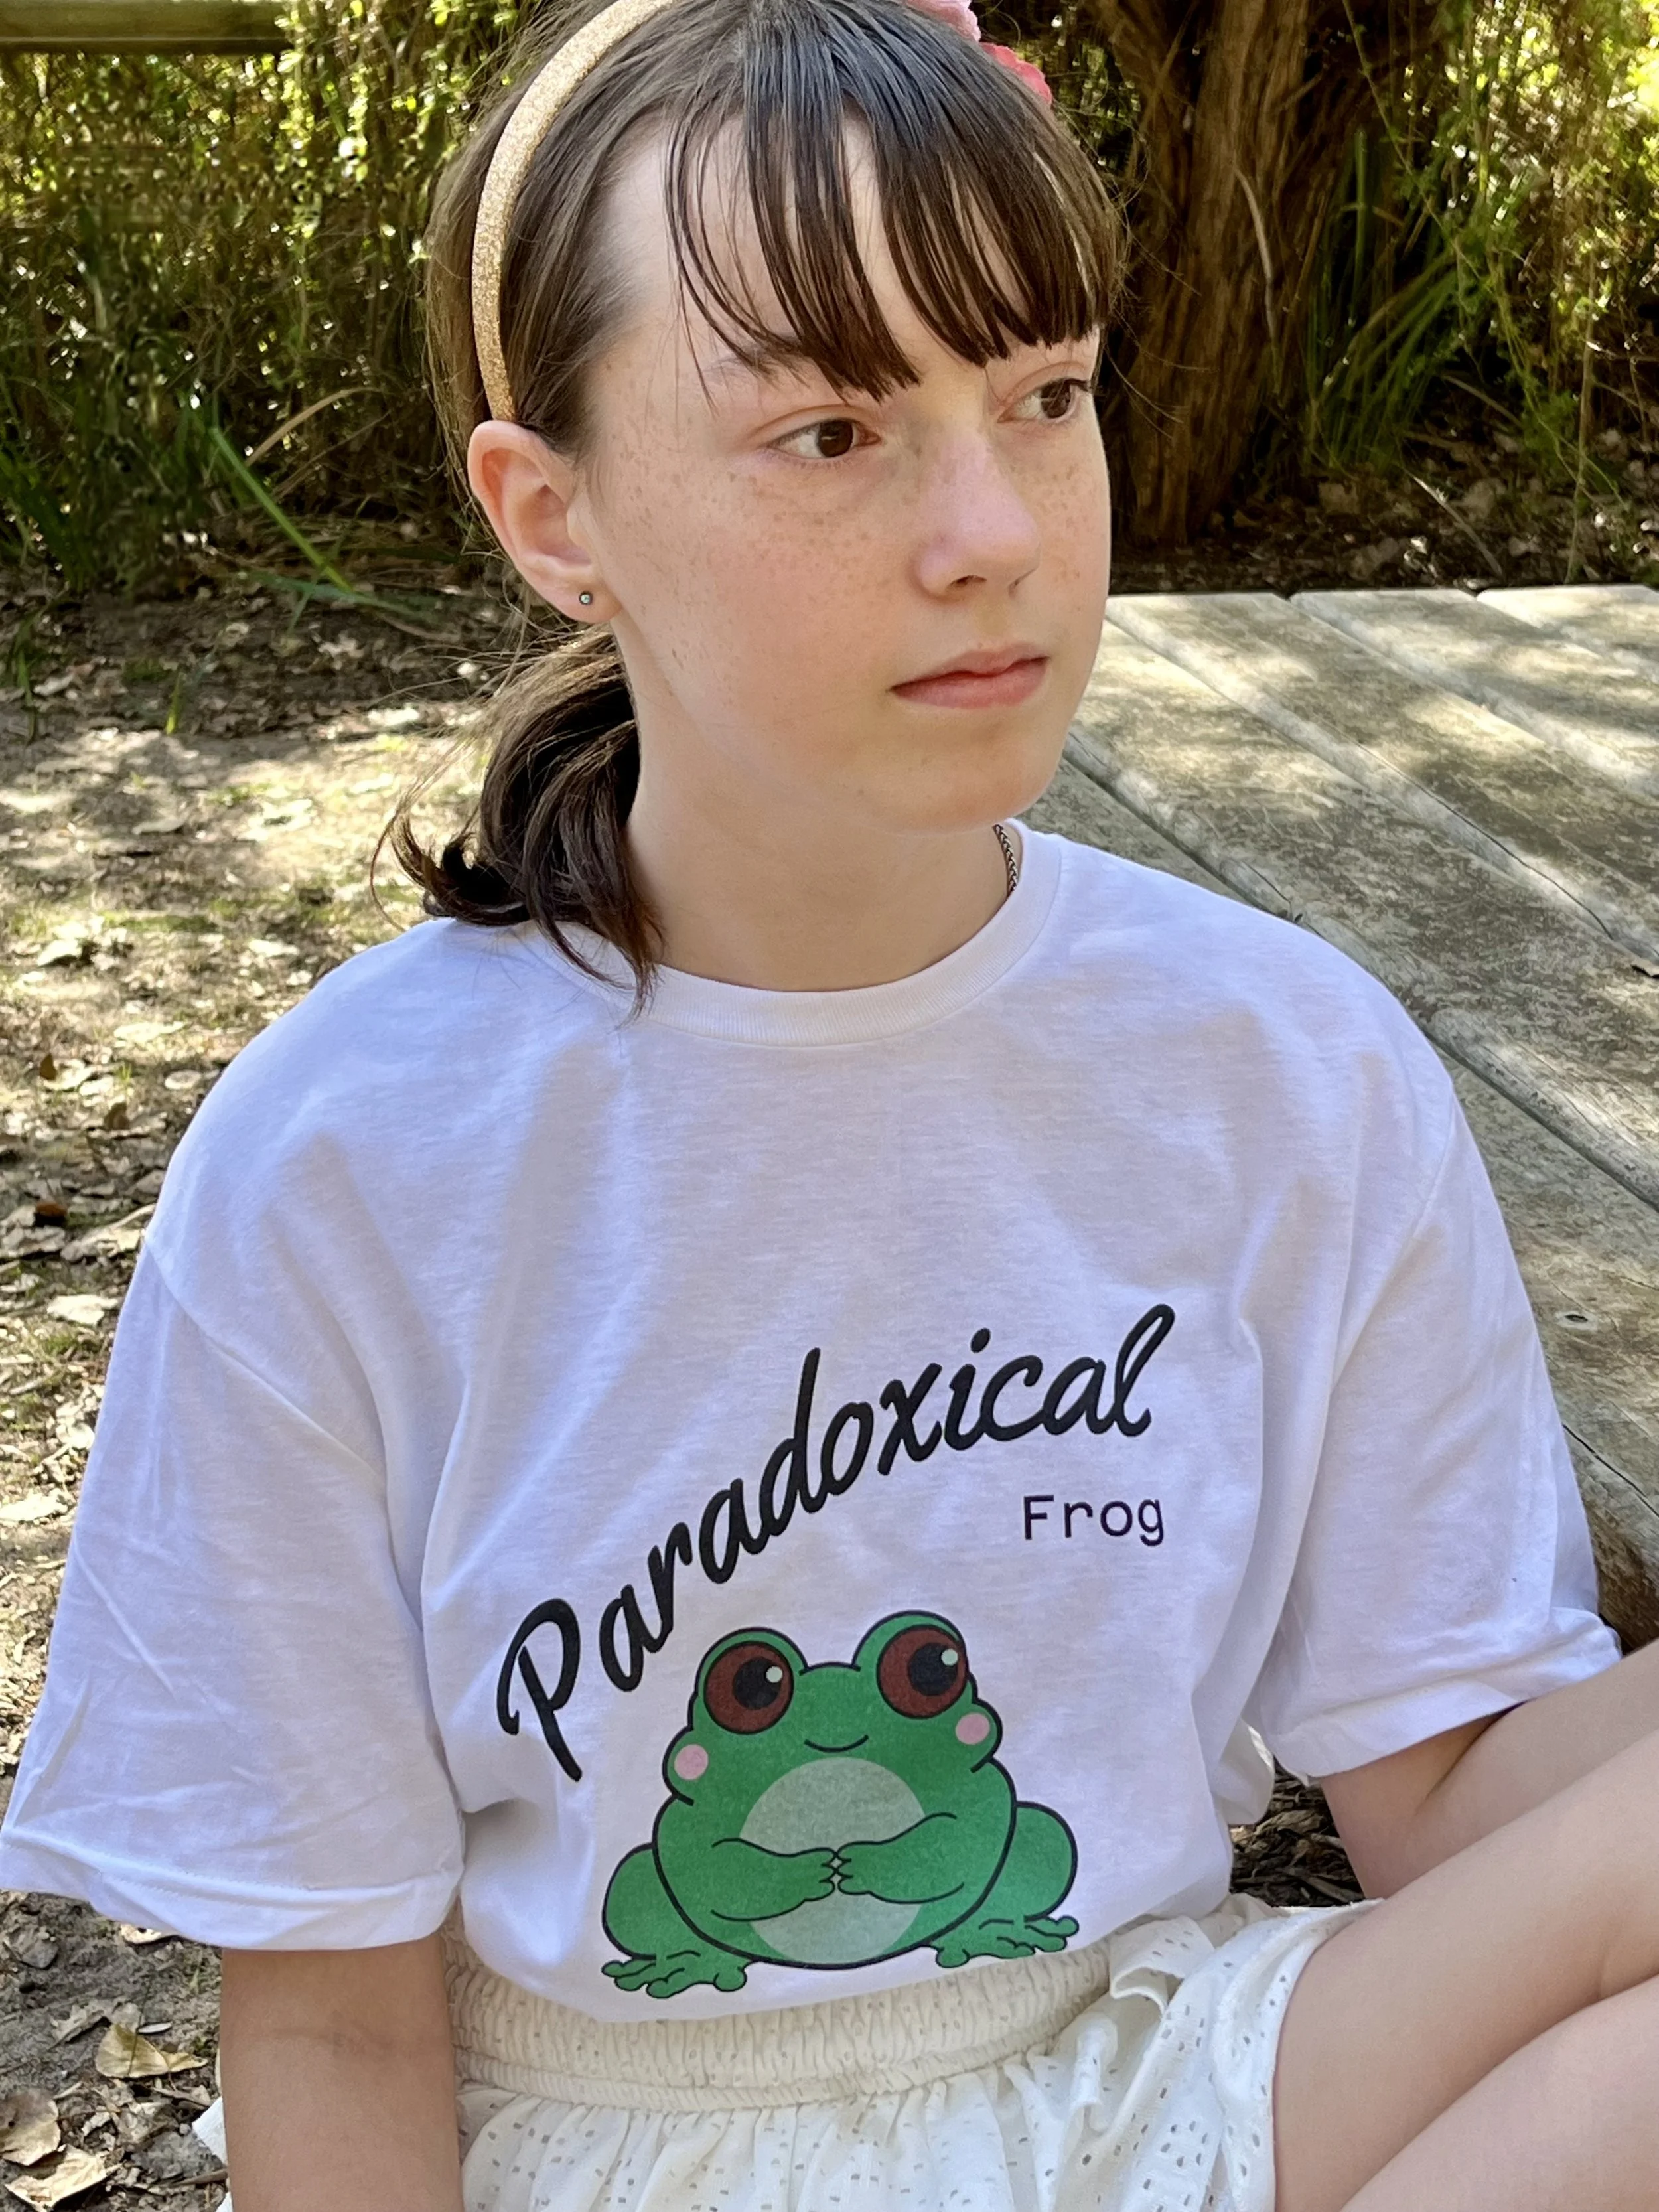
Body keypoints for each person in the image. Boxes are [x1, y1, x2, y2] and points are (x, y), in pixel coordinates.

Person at [3, 0, 1658, 2203]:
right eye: (827, 431)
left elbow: (1445, 1795)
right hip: (620, 2140)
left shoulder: (1284, 1058)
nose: (989, 530)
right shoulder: (348, 1163)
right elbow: (324, 2010)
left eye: (1043, 397)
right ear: (552, 511)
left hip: (1164, 2076)